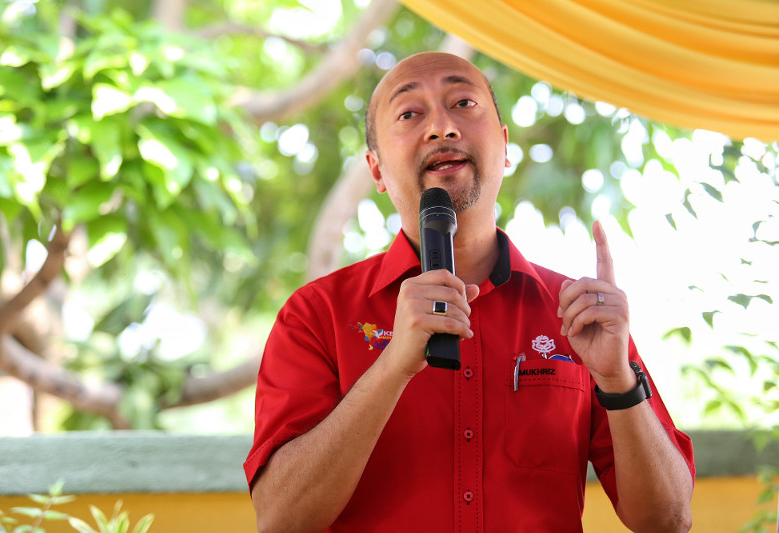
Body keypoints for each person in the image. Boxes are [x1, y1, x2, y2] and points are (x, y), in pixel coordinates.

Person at [244, 52, 695, 533]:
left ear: (504, 147)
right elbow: (279, 519)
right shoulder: (316, 315)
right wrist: (393, 365)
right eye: (410, 113)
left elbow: (668, 521)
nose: (442, 127)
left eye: (463, 102)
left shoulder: (579, 315)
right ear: (375, 170)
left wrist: (617, 380)